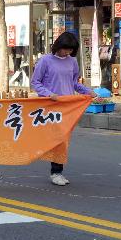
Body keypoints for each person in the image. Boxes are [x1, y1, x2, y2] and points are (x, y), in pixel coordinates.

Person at [31, 31, 96, 186]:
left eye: (71, 50)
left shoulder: (72, 62)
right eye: (65, 49)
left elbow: (74, 83)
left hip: (68, 107)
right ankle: (56, 172)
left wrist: (88, 92)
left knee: (63, 140)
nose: (67, 52)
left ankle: (57, 170)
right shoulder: (45, 60)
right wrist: (49, 94)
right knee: (58, 139)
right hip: (51, 106)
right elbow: (35, 82)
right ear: (59, 46)